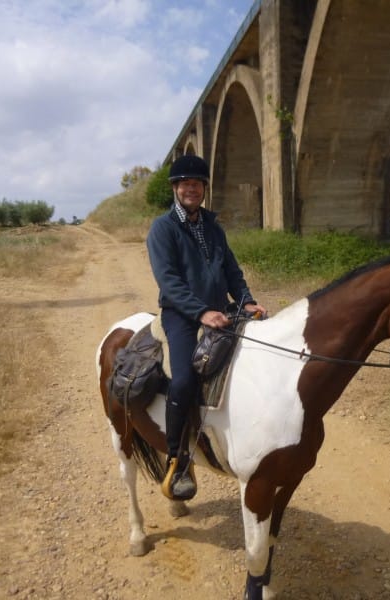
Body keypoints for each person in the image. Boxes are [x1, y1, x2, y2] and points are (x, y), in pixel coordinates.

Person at [146, 154, 267, 501]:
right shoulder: (163, 228)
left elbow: (232, 271)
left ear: (204, 189)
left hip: (221, 310)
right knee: (183, 379)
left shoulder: (213, 227)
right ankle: (176, 458)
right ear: (175, 188)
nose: (191, 189)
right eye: (185, 183)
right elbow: (168, 281)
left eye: (197, 184)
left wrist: (246, 300)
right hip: (182, 315)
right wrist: (201, 312)